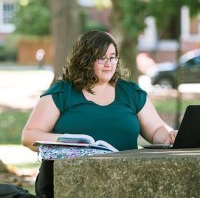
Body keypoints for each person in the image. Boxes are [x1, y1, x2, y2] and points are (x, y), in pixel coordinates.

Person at [21, 30, 177, 197]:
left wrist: (169, 136)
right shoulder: (63, 92)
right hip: (69, 183)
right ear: (85, 60)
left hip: (123, 182)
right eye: (102, 58)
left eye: (113, 57)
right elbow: (29, 136)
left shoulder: (131, 93)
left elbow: (156, 131)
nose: (109, 63)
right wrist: (66, 141)